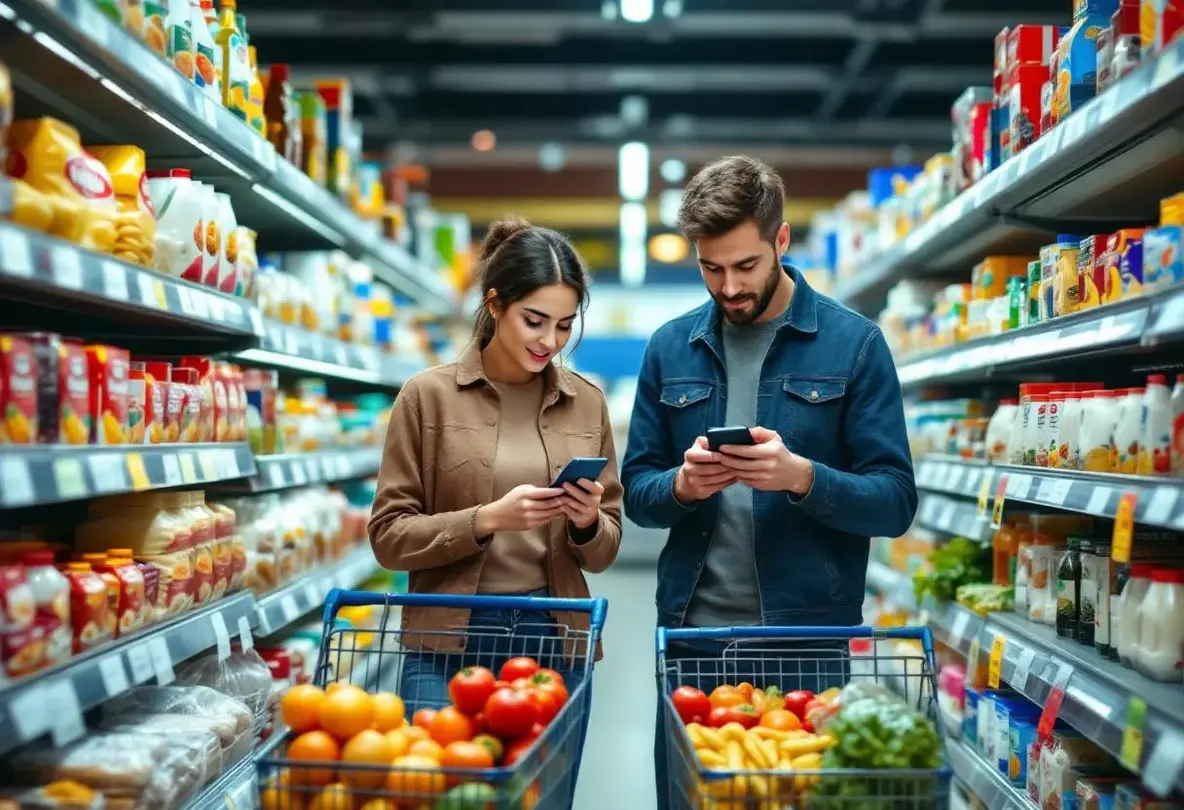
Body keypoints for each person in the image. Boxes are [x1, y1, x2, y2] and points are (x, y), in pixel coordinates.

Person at [619, 156, 917, 809]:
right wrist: (682, 487)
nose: (728, 286)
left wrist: (802, 478)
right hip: (695, 639)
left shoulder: (854, 345)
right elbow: (636, 491)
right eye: (710, 267)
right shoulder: (670, 349)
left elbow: (894, 501)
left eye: (746, 265)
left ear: (782, 241)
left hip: (807, 641)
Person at [368, 216, 623, 715]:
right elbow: (388, 537)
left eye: (565, 325)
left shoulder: (588, 403)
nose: (550, 341)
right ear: (494, 303)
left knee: (543, 794)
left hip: (553, 635)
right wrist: (486, 519)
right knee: (446, 791)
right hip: (446, 642)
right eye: (535, 320)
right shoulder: (427, 397)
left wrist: (588, 521)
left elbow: (605, 551)